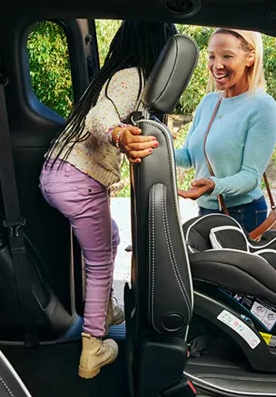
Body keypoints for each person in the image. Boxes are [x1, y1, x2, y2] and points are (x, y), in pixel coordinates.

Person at [39, 21, 178, 379]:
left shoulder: (116, 73)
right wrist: (120, 135)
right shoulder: (133, 75)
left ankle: (105, 310)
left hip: (58, 176)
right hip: (79, 181)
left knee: (111, 237)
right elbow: (98, 117)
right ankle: (93, 348)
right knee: (100, 263)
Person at [175, 28, 276, 233]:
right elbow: (188, 156)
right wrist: (153, 145)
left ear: (250, 57)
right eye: (212, 56)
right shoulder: (209, 101)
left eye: (227, 56)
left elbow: (250, 176)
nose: (217, 65)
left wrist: (214, 186)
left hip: (244, 213)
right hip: (205, 211)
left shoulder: (262, 106)